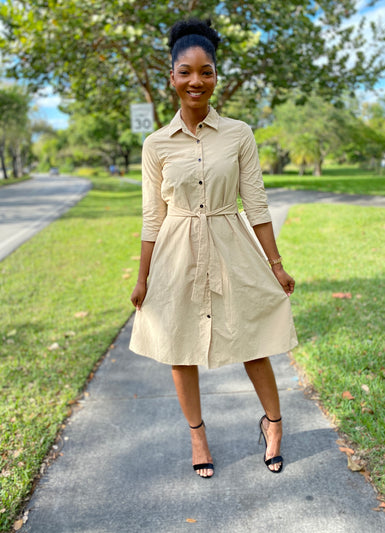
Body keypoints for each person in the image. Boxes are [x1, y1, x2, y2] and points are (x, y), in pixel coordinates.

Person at [130, 18, 297, 478]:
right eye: (186, 71)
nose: (196, 81)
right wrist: (142, 277)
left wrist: (276, 265)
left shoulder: (239, 134)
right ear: (172, 77)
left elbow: (256, 203)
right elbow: (152, 216)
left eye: (206, 71)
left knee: (252, 340)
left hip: (232, 244)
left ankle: (274, 425)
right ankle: (197, 437)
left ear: (216, 76)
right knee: (181, 349)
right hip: (175, 252)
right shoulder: (155, 144)